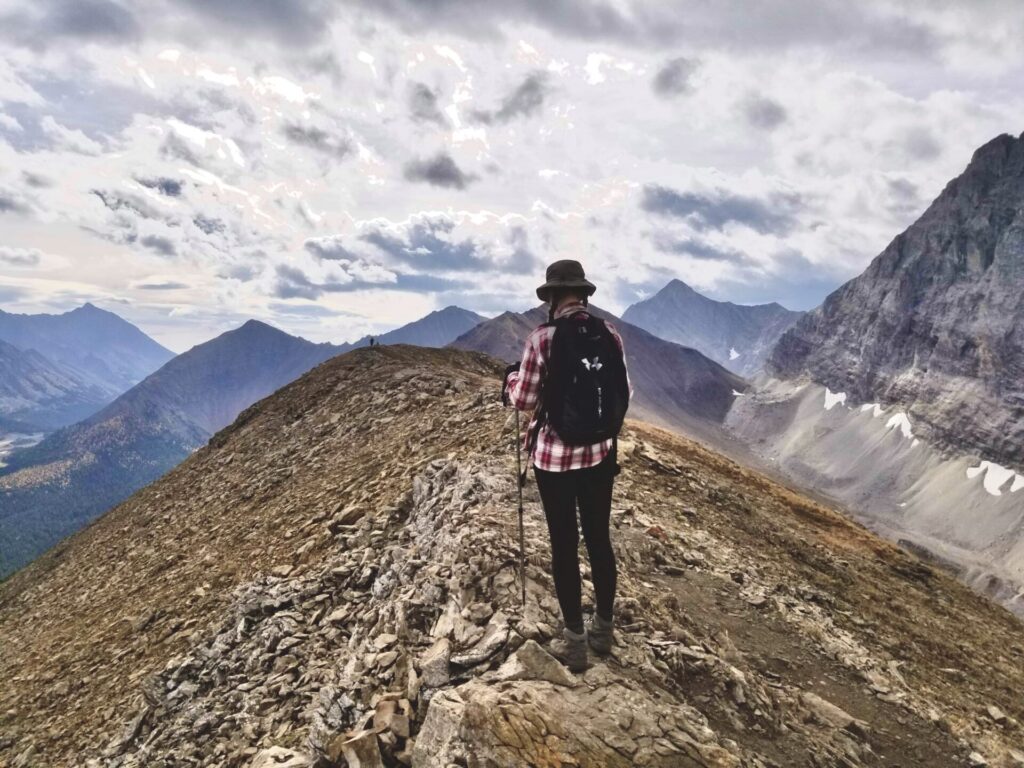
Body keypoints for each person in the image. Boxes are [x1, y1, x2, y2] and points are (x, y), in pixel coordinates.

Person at [502, 259, 631, 672]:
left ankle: (574, 642)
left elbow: (522, 399)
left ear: (553, 297)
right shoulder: (609, 333)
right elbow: (624, 390)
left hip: (554, 461)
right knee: (598, 539)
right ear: (584, 294)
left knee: (564, 544)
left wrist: (508, 382)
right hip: (599, 453)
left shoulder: (542, 339)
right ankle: (604, 630)